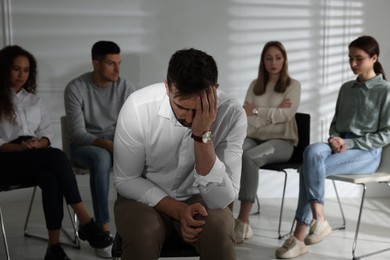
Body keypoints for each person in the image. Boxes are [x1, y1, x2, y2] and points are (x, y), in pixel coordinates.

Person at [113, 48, 247, 260]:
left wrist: (202, 135)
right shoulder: (137, 107)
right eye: (182, 107)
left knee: (219, 233)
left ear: (215, 90)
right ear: (167, 88)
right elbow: (126, 179)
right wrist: (179, 210)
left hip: (203, 200)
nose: (190, 118)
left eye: (199, 108)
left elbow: (222, 199)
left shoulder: (232, 115)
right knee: (144, 235)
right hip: (142, 198)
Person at [275, 35, 390, 259]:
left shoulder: (385, 91)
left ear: (374, 58)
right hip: (339, 145)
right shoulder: (346, 88)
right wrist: (335, 139)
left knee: (307, 169)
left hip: (366, 152)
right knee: (311, 152)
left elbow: (386, 134)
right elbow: (335, 125)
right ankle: (320, 219)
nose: (353, 64)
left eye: (359, 59)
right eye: (350, 59)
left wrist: (349, 143)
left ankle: (299, 237)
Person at [0, 45, 113, 260]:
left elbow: (46, 133)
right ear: (4, 69)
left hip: (33, 155)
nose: (22, 75)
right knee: (58, 157)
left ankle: (54, 248)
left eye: (26, 70)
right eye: (16, 69)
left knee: (51, 176)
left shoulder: (34, 100)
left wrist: (38, 144)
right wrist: (21, 148)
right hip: (6, 159)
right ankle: (87, 223)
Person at [64, 40, 135, 257]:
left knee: (145, 158)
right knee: (102, 158)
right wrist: (106, 144)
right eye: (111, 64)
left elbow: (134, 126)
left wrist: (121, 145)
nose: (117, 69)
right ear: (95, 64)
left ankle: (134, 230)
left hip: (117, 143)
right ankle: (103, 232)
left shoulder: (126, 88)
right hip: (85, 146)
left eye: (119, 63)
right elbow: (76, 132)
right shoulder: (76, 88)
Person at [233, 41, 301, 243]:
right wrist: (273, 111)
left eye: (278, 58)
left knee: (250, 158)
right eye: (268, 58)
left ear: (284, 60)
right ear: (262, 61)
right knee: (231, 152)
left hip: (283, 142)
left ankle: (243, 222)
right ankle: (222, 214)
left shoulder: (292, 86)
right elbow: (247, 117)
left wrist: (256, 110)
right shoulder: (255, 85)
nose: (273, 62)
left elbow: (286, 115)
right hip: (254, 137)